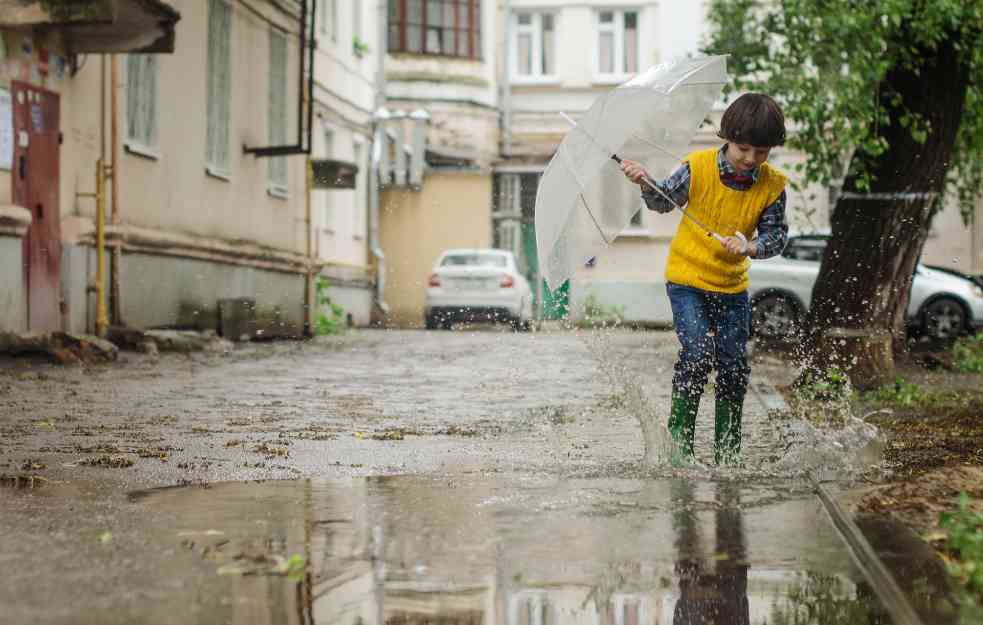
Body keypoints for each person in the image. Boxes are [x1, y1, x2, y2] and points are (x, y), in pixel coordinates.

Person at [620, 93, 789, 466]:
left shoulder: (773, 186)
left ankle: (728, 454)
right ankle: (680, 452)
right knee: (696, 356)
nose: (751, 159)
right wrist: (645, 181)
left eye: (762, 152)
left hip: (732, 287)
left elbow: (777, 237)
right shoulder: (696, 167)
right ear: (727, 138)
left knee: (733, 366)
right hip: (687, 281)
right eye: (744, 148)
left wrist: (752, 246)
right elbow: (662, 202)